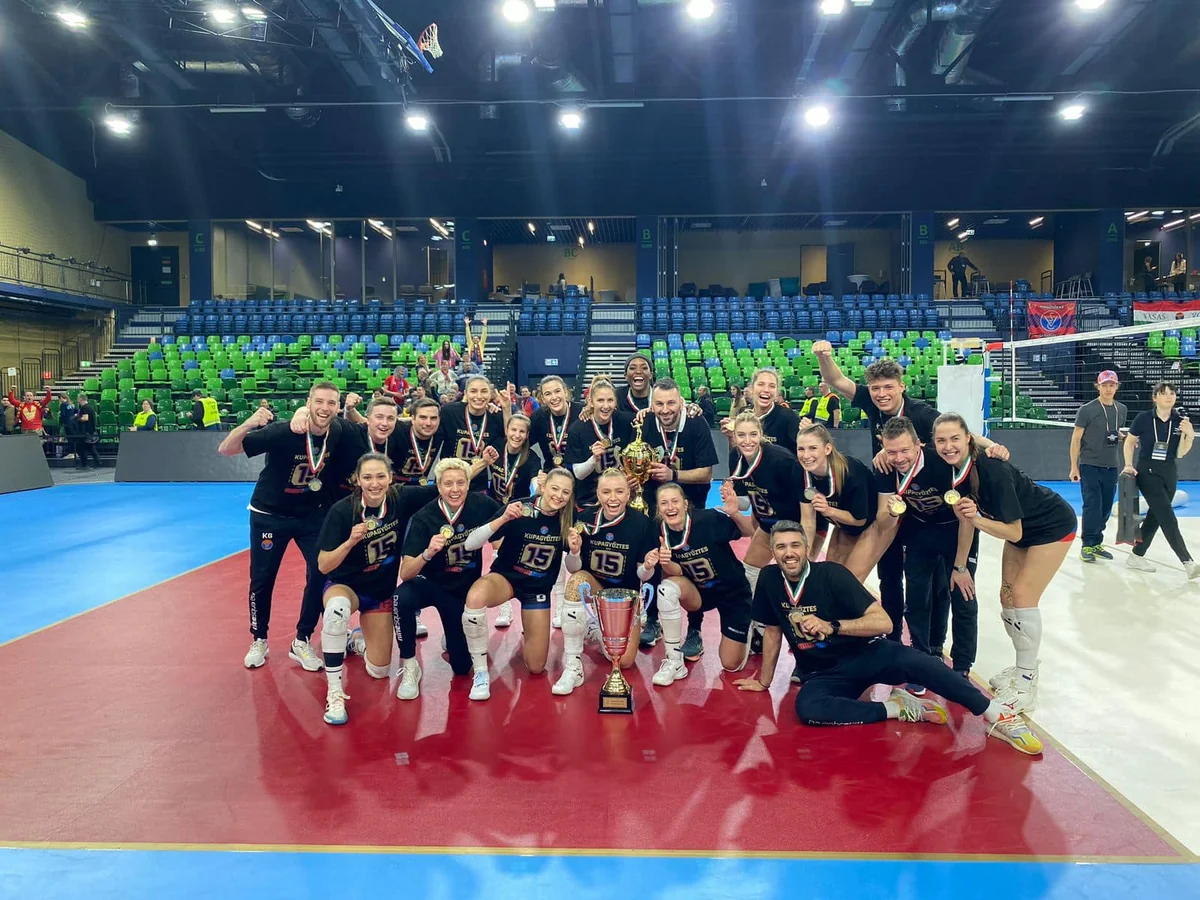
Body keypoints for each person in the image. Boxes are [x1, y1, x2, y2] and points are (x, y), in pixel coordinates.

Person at [732, 522, 1042, 755]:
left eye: (795, 545)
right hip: (823, 672)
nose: (789, 553)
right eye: (781, 547)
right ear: (773, 551)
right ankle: (896, 708)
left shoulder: (832, 574)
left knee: (922, 663)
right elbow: (772, 631)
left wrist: (834, 626)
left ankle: (996, 714)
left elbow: (883, 621)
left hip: (866, 655)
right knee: (809, 709)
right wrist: (764, 681)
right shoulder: (769, 579)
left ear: (807, 546)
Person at [813, 345, 1007, 644]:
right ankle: (891, 638)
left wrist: (991, 446)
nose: (881, 394)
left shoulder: (922, 414)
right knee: (889, 575)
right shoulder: (873, 404)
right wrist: (823, 357)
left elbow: (960, 435)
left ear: (902, 387)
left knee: (934, 585)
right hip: (891, 501)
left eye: (888, 387)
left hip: (926, 511)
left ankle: (933, 645)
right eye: (876, 388)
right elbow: (836, 380)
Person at [933, 412, 1079, 712]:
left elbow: (1013, 531)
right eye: (941, 441)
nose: (948, 446)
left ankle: (1026, 683)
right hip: (1021, 530)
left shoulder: (991, 470)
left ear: (968, 439)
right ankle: (1024, 667)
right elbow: (966, 521)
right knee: (1007, 597)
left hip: (1051, 526)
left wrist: (977, 518)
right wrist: (959, 567)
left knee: (1023, 597)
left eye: (955, 439)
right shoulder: (954, 470)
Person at [219, 383, 352, 672]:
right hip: (269, 514)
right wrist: (249, 423)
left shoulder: (339, 431)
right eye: (318, 402)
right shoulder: (282, 431)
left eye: (331, 403)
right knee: (262, 578)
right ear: (308, 401)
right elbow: (226, 449)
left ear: (337, 407)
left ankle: (302, 640)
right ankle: (259, 638)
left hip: (310, 515)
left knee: (321, 571)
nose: (325, 408)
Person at [314, 452, 437, 724]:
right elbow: (323, 565)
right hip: (345, 586)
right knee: (336, 611)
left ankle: (355, 640)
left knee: (379, 670)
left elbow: (445, 486)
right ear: (358, 480)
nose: (374, 483)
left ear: (390, 478)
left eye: (381, 476)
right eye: (367, 477)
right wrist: (349, 542)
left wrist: (483, 465)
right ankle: (334, 693)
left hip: (379, 592)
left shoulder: (400, 498)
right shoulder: (342, 511)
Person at [862, 417, 979, 685]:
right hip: (920, 529)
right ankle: (921, 657)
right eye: (891, 451)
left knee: (962, 593)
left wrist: (961, 566)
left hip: (957, 530)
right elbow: (883, 521)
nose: (899, 458)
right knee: (916, 596)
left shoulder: (943, 462)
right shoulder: (885, 467)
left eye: (905, 450)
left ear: (919, 444)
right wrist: (891, 512)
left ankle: (961, 665)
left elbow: (967, 519)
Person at [461, 468, 577, 701]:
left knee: (536, 666)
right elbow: (470, 544)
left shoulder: (568, 517)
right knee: (475, 597)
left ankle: (531, 631)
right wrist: (503, 518)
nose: (559, 495)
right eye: (554, 488)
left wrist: (575, 551)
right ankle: (481, 672)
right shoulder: (519, 507)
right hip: (507, 578)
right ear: (543, 487)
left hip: (537, 590)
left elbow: (574, 568)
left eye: (565, 492)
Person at [394, 458, 503, 701]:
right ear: (439, 486)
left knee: (462, 667)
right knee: (401, 598)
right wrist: (427, 553)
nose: (455, 489)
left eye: (460, 483)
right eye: (448, 483)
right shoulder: (424, 517)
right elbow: (406, 572)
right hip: (431, 584)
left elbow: (504, 531)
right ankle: (410, 665)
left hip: (462, 591)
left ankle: (453, 632)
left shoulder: (482, 504)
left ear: (468, 484)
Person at [555, 469, 658, 695]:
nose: (613, 498)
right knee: (576, 581)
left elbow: (643, 576)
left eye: (619, 492)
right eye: (606, 492)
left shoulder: (642, 523)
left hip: (624, 598)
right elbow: (573, 568)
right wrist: (574, 551)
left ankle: (597, 628)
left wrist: (648, 566)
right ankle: (573, 665)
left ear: (628, 494)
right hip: (595, 589)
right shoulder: (585, 519)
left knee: (625, 661)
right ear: (598, 494)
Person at [651, 481, 756, 686]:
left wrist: (735, 513)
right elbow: (677, 572)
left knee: (730, 664)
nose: (670, 507)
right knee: (666, 588)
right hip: (698, 592)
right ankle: (674, 660)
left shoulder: (708, 519)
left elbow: (748, 531)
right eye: (664, 503)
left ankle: (749, 625)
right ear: (658, 509)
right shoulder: (658, 530)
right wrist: (666, 562)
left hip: (732, 591)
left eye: (675, 501)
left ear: (685, 504)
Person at [1123, 382, 1198, 578]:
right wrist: (1128, 464)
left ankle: (1136, 555)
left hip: (1169, 471)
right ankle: (1188, 562)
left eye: (1172, 393)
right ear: (1155, 397)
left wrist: (1189, 436)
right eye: (1164, 393)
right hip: (1147, 471)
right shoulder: (1143, 418)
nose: (1169, 396)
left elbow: (1181, 453)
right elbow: (1129, 442)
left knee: (1155, 517)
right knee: (1167, 517)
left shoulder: (1180, 420)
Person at [796, 423, 875, 568]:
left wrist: (829, 510)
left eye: (813, 448)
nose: (806, 456)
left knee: (853, 577)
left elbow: (860, 520)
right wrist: (803, 556)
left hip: (872, 525)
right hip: (843, 526)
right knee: (832, 574)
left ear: (827, 449)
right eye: (801, 449)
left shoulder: (851, 472)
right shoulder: (802, 473)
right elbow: (808, 521)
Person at [1069, 370, 1127, 562]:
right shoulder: (1087, 410)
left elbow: (1113, 431)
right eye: (1105, 385)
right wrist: (1074, 466)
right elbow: (1076, 439)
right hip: (1090, 464)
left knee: (1106, 507)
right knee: (1092, 504)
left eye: (1112, 385)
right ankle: (1087, 544)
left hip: (1111, 465)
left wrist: (1123, 438)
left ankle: (1096, 542)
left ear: (1117, 387)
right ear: (1098, 387)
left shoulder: (1121, 409)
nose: (1108, 389)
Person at [565, 378, 635, 509]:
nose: (606, 406)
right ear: (591, 402)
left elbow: (649, 417)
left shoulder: (626, 421)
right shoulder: (577, 429)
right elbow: (578, 474)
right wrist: (593, 459)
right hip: (590, 498)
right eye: (600, 400)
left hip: (623, 495)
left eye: (610, 400)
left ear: (616, 401)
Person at [437, 375, 508, 493]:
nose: (479, 396)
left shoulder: (495, 417)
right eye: (473, 391)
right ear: (465, 393)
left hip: (479, 484)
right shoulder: (449, 412)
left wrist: (507, 408)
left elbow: (511, 438)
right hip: (449, 482)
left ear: (490, 394)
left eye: (484, 391)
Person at [721, 368, 801, 449]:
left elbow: (802, 451)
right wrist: (731, 437)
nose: (766, 390)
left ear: (777, 393)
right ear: (752, 389)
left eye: (772, 386)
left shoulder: (789, 417)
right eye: (761, 384)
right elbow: (737, 453)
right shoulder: (743, 414)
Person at [528, 375, 583, 471]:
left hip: (580, 474)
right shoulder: (538, 417)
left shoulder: (582, 412)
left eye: (557, 391)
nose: (554, 397)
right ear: (543, 399)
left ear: (565, 392)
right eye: (548, 394)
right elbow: (521, 442)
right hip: (551, 473)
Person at [74, 392, 101, 468]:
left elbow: (85, 418)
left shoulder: (85, 408)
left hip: (85, 431)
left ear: (80, 399)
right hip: (89, 431)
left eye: (78, 398)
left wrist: (77, 418)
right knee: (90, 447)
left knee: (81, 448)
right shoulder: (90, 407)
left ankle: (85, 464)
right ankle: (97, 461)